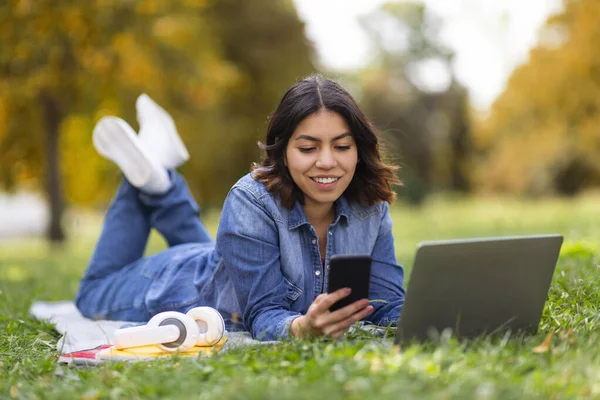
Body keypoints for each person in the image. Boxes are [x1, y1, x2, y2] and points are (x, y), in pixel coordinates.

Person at [75, 74, 406, 341]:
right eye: (308, 148)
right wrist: (302, 328)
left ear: (358, 150)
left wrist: (440, 315)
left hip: (223, 265)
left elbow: (386, 302)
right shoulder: (251, 200)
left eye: (342, 146)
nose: (327, 162)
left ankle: (159, 175)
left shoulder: (370, 205)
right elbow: (264, 314)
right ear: (283, 151)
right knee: (90, 294)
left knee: (219, 261)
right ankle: (150, 179)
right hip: (173, 286)